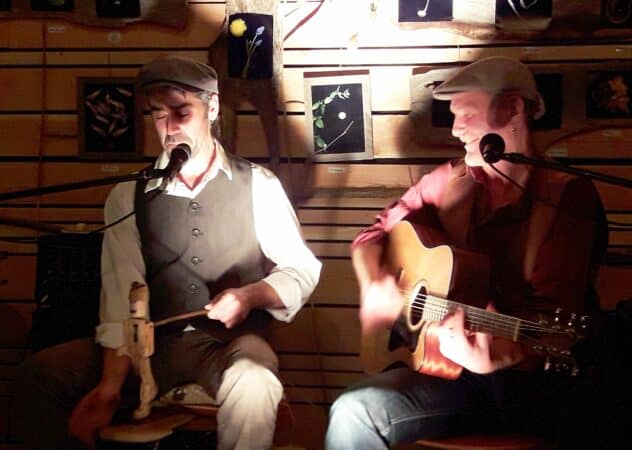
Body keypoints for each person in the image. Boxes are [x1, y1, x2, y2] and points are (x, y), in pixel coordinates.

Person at [16, 55, 321, 450]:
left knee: (255, 381)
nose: (171, 128)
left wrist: (250, 296)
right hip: (151, 345)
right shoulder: (127, 195)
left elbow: (301, 269)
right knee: (38, 374)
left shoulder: (258, 184)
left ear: (211, 108)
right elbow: (120, 295)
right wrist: (110, 385)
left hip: (228, 344)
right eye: (159, 115)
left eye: (182, 112)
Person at [324, 56, 616, 449]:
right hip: (447, 372)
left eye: (466, 114)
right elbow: (371, 236)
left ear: (512, 109)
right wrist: (375, 282)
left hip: (531, 386)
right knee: (352, 409)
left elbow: (553, 326)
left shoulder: (566, 198)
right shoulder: (450, 180)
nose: (456, 129)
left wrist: (502, 357)